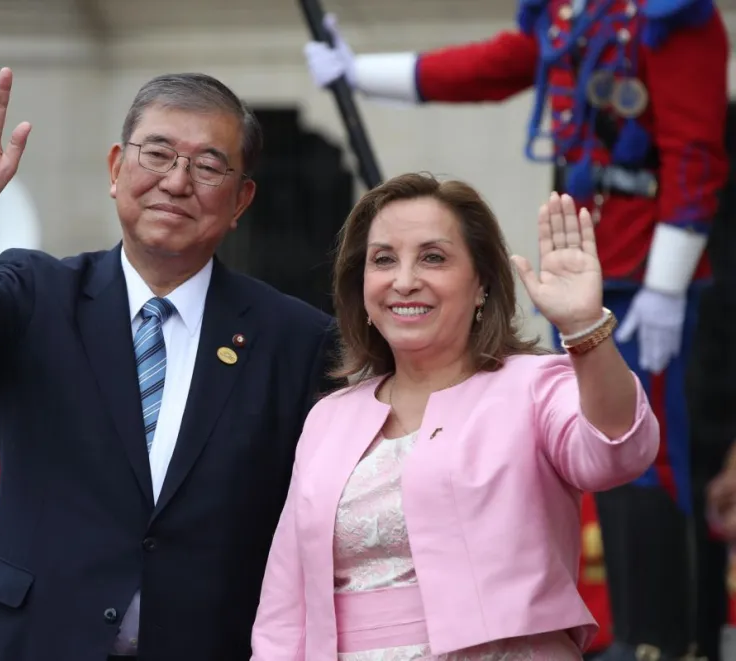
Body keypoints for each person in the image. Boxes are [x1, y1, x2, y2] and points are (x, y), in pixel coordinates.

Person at [302, 4, 728, 657]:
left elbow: (696, 158)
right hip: (596, 265)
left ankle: (661, 641)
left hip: (649, 271)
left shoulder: (674, 17)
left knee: (649, 463)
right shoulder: (573, 15)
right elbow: (494, 66)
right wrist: (363, 72)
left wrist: (667, 284)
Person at [0, 60, 339, 661]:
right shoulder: (37, 293)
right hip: (27, 641)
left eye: (207, 166)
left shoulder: (296, 338)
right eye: (156, 154)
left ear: (240, 200)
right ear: (115, 169)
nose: (177, 182)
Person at [250, 173, 659, 660]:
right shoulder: (328, 418)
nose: (404, 280)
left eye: (433, 257)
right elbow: (284, 606)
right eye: (383, 259)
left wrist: (584, 329)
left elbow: (618, 450)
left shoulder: (531, 386)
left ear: (482, 282)